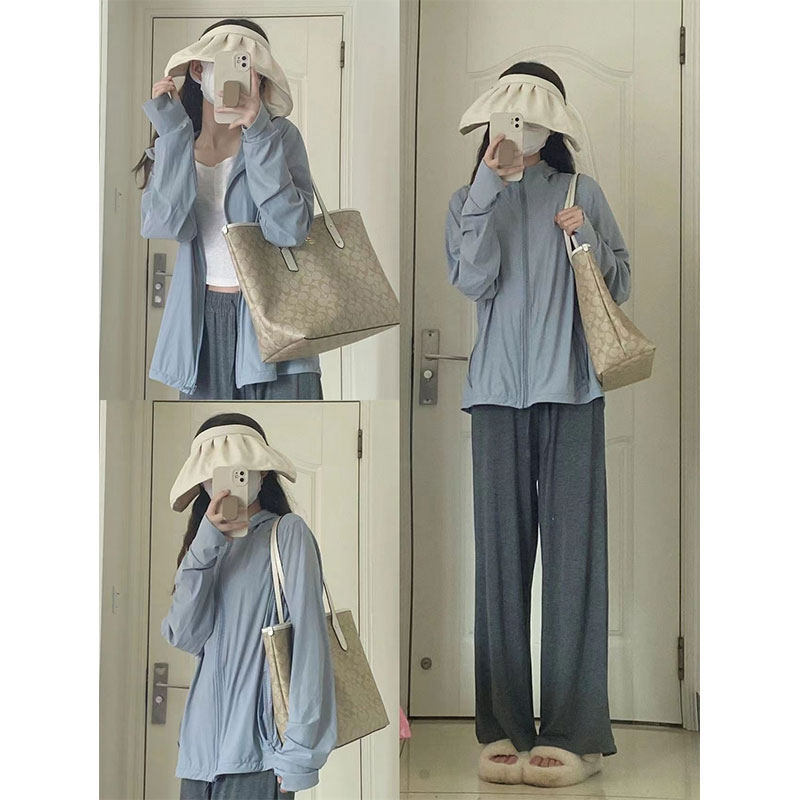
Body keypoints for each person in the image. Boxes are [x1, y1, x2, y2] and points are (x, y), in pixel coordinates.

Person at [445, 61, 631, 788]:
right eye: (507, 115)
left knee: (574, 567)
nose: (517, 129)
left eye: (529, 117)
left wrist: (586, 241)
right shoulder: (470, 198)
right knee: (499, 566)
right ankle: (504, 727)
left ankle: (575, 734)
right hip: (495, 399)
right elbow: (472, 279)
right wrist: (489, 188)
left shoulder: (582, 191)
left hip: (573, 394)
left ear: (552, 123)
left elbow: (620, 282)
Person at [134, 19, 322, 400]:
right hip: (201, 328)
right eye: (229, 62)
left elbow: (289, 231)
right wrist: (173, 134)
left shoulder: (280, 136)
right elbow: (163, 224)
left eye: (252, 68)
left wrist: (259, 132)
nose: (240, 75)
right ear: (198, 70)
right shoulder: (179, 143)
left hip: (276, 326)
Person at [164, 413, 337, 798]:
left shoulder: (287, 533)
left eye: (239, 468)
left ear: (262, 471)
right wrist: (206, 543)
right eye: (213, 471)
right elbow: (184, 635)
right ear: (202, 480)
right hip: (197, 760)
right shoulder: (203, 548)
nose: (226, 480)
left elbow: (310, 644)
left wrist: (299, 754)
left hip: (261, 757)